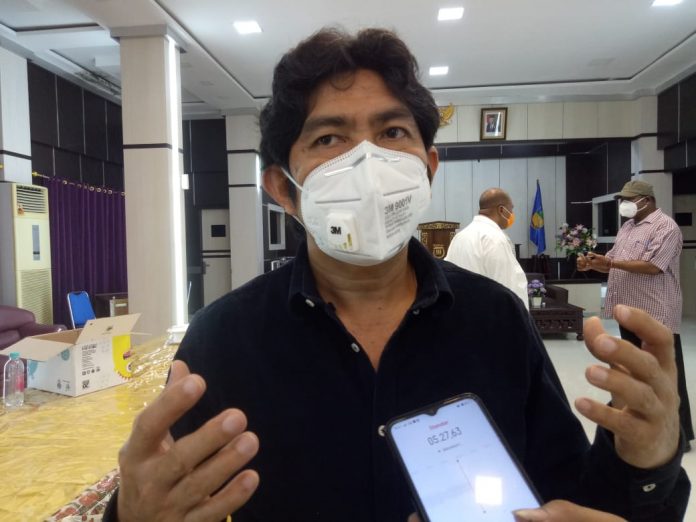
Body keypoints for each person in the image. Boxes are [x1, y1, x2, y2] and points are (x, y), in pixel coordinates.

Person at [107, 29, 690, 522]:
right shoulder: (224, 339)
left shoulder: (496, 320)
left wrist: (646, 461)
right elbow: (169, 496)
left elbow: (568, 497)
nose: (368, 163)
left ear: (427, 168)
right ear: (284, 189)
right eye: (329, 138)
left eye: (392, 133)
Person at [577, 179, 694, 451]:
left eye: (629, 200)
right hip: (628, 311)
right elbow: (613, 264)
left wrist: (611, 262)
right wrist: (593, 264)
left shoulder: (666, 227)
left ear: (646, 200)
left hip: (655, 312)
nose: (624, 205)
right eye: (623, 200)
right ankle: (645, 422)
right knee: (636, 370)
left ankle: (679, 434)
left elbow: (653, 266)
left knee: (665, 373)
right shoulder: (628, 227)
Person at [445, 188, 529, 309]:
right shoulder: (495, 238)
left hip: (461, 312)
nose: (512, 214)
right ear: (501, 210)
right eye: (511, 209)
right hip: (488, 314)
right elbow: (507, 287)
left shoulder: (459, 237)